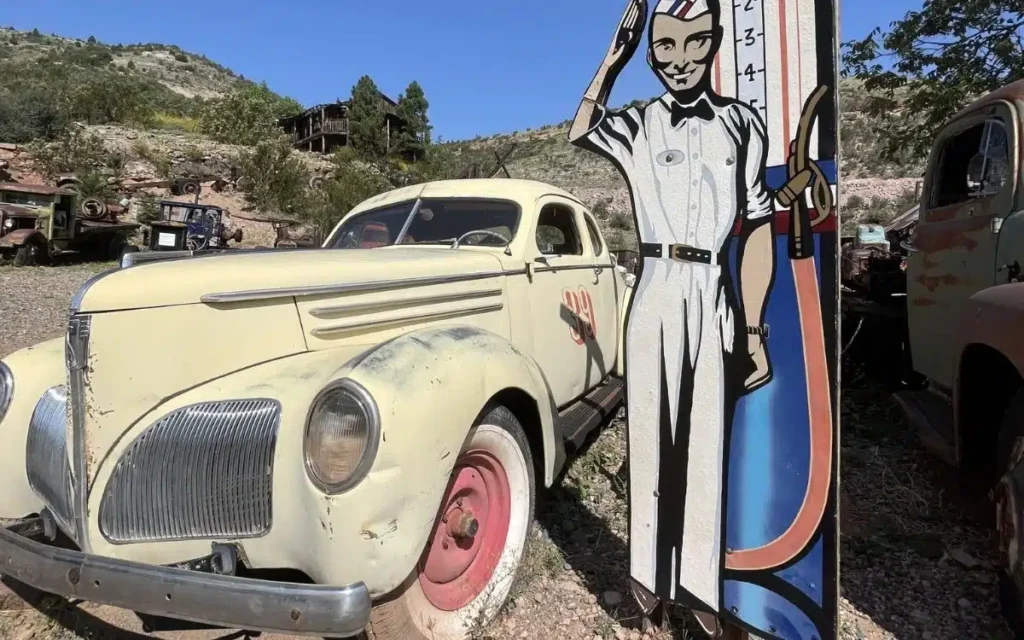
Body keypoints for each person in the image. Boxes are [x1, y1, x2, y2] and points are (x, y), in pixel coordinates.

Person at [568, 0, 777, 621]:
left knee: (706, 439)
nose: (679, 60)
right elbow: (581, 129)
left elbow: (759, 223)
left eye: (693, 44)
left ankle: (702, 591)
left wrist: (756, 325)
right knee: (652, 437)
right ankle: (644, 580)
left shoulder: (742, 124)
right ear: (650, 51)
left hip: (712, 282)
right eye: (663, 47)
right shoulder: (638, 123)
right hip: (656, 283)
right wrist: (613, 59)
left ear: (713, 43)